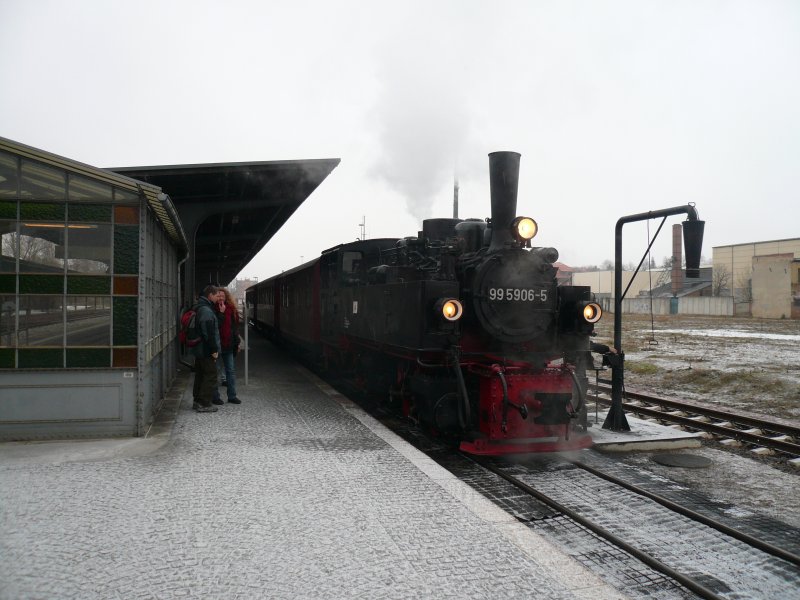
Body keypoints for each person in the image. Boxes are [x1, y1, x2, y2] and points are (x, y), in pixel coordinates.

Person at [191, 284, 221, 413]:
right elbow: (209, 333)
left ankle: (197, 401)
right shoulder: (206, 311)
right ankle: (204, 403)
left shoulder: (201, 308)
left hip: (200, 349)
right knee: (211, 375)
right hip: (205, 350)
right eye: (216, 295)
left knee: (201, 374)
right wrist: (214, 350)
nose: (217, 298)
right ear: (210, 295)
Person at [216, 287, 241, 404]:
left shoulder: (231, 309)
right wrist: (220, 313)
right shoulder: (212, 309)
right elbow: (215, 326)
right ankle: (215, 397)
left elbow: (235, 328)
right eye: (218, 296)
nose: (220, 298)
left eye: (222, 296)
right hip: (216, 345)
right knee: (215, 371)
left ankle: (232, 396)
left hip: (229, 345)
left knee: (230, 371)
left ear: (226, 297)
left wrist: (237, 343)